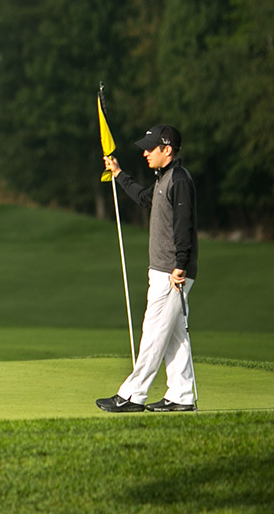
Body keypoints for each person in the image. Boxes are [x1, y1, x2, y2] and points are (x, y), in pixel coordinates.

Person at [97, 124, 199, 413]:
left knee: (154, 332)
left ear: (167, 149)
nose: (145, 152)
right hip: (166, 269)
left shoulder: (178, 179)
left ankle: (133, 395)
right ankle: (181, 395)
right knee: (175, 334)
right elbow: (145, 198)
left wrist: (180, 264)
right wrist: (118, 174)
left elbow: (184, 224)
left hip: (172, 271)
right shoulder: (164, 179)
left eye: (150, 147)